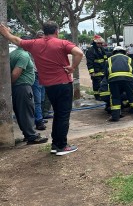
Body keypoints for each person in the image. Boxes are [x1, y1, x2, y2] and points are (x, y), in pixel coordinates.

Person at [0, 21, 84, 156]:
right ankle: (61, 146)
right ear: (56, 31)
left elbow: (16, 40)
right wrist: (72, 67)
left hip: (48, 85)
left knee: (57, 113)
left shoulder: (34, 44)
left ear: (44, 31)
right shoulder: (62, 43)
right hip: (63, 84)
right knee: (63, 115)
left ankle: (56, 144)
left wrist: (6, 33)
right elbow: (79, 53)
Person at [9, 39, 48, 145]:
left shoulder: (13, 53)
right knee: (26, 112)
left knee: (22, 112)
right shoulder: (24, 56)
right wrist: (11, 85)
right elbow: (15, 74)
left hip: (19, 87)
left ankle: (28, 134)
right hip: (23, 87)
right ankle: (31, 136)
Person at [105, 46, 133, 122]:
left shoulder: (109, 59)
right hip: (128, 79)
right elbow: (132, 71)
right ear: (124, 52)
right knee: (132, 96)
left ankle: (115, 117)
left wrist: (109, 81)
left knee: (115, 97)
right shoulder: (129, 58)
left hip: (113, 80)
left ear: (114, 52)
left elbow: (106, 73)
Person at [36, 30, 53, 120]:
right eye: (39, 37)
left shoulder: (49, 47)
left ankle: (45, 113)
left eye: (42, 37)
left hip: (48, 75)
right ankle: (39, 116)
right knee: (38, 98)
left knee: (47, 95)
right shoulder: (33, 47)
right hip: (37, 76)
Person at [86, 35, 107, 101]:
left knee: (104, 84)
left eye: (101, 43)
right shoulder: (90, 51)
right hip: (96, 71)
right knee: (96, 84)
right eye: (98, 43)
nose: (100, 44)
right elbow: (89, 62)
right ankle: (97, 97)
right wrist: (92, 72)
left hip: (103, 70)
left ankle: (103, 96)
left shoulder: (101, 49)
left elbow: (105, 58)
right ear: (94, 43)